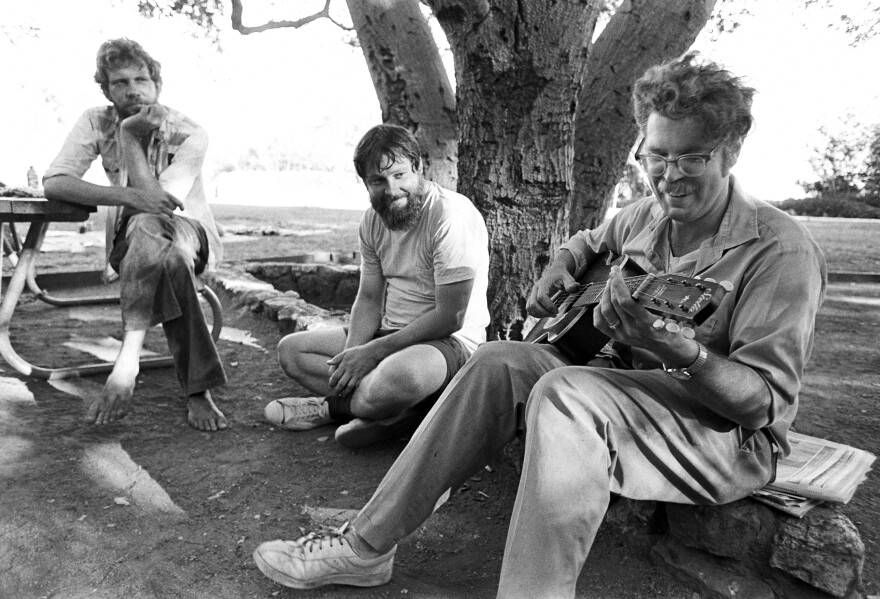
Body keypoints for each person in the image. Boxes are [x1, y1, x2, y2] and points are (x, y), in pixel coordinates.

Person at [251, 52, 828, 597]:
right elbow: (588, 243)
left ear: (731, 150)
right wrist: (563, 265)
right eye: (656, 155)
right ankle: (365, 547)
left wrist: (677, 350)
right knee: (497, 358)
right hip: (630, 392)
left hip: (724, 437)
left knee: (564, 393)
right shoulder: (645, 217)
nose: (669, 175)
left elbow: (760, 407)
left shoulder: (780, 251)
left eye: (692, 157)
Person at [263, 124, 490, 449]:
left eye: (399, 175)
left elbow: (450, 317)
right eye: (378, 181)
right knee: (292, 352)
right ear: (365, 183)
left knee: (403, 377)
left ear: (418, 167)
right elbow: (369, 298)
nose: (392, 189)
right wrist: (353, 355)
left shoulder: (449, 216)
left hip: (445, 344)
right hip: (389, 333)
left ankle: (332, 408)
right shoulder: (372, 220)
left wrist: (373, 353)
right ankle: (396, 412)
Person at [42, 38, 228, 431]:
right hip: (136, 244)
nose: (133, 89)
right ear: (106, 90)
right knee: (167, 259)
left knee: (155, 231)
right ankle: (198, 390)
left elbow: (157, 204)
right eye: (120, 82)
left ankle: (127, 363)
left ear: (157, 84)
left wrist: (130, 139)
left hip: (193, 235)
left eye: (141, 79)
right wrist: (123, 184)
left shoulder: (190, 132)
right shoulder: (96, 121)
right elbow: (55, 182)